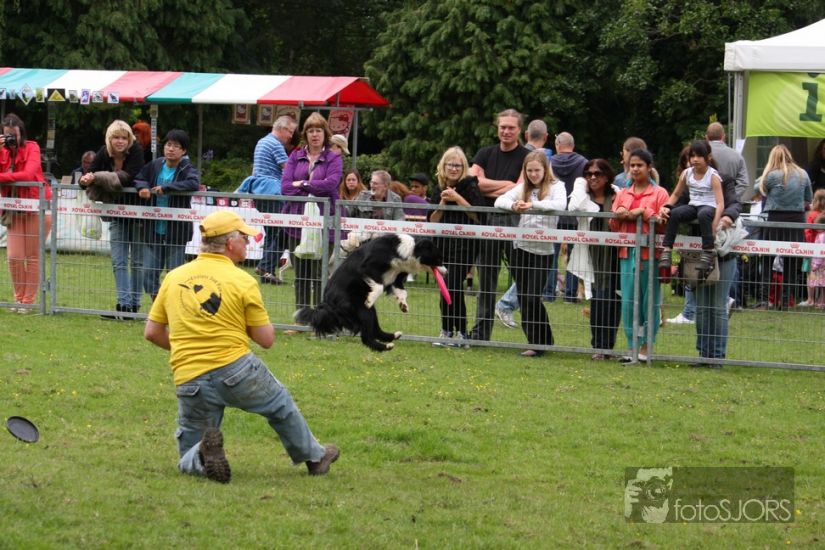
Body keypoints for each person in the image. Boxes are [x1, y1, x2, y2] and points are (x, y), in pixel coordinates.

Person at [144, 210, 339, 482]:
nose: (248, 242)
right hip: (236, 369)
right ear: (229, 243)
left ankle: (200, 454)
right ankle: (314, 457)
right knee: (279, 405)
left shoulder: (174, 277)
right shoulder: (243, 281)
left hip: (189, 376)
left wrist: (186, 346)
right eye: (244, 238)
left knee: (188, 449)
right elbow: (266, 339)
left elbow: (152, 333)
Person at [660, 170, 743, 367]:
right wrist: (667, 208)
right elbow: (678, 204)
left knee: (718, 306)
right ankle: (704, 355)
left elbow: (734, 204)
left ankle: (717, 356)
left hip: (723, 253)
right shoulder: (689, 181)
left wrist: (728, 216)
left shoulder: (723, 179)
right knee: (702, 307)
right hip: (697, 255)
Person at [494, 151, 567, 357]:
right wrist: (513, 205)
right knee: (525, 298)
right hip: (520, 249)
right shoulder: (522, 188)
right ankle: (536, 343)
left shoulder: (557, 187)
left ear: (545, 169)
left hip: (543, 251)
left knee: (533, 297)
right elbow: (499, 201)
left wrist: (533, 205)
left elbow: (560, 205)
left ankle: (543, 341)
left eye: (537, 170)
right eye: (529, 171)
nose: (533, 174)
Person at [468, 109, 529, 342]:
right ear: (497, 128)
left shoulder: (527, 157)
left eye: (511, 127)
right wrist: (507, 186)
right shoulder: (485, 153)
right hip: (486, 222)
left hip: (515, 223)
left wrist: (488, 186)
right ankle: (480, 335)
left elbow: (522, 189)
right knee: (486, 282)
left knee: (524, 279)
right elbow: (473, 184)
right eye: (503, 127)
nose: (506, 131)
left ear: (519, 130)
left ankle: (535, 337)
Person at [79, 119, 146, 318]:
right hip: (116, 212)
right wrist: (85, 180)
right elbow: (88, 175)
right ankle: (123, 305)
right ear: (109, 139)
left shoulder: (136, 151)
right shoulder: (103, 152)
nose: (120, 141)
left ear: (129, 139)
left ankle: (134, 305)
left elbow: (127, 178)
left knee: (137, 262)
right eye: (116, 137)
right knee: (118, 260)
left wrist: (96, 177)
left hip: (139, 213)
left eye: (124, 137)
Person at [610, 149, 669, 362]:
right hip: (627, 254)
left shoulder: (660, 193)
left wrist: (644, 212)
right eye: (632, 165)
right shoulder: (623, 193)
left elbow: (664, 224)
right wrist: (618, 215)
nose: (635, 169)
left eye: (639, 165)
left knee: (649, 301)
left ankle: (646, 346)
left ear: (649, 167)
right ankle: (631, 346)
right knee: (628, 301)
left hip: (650, 254)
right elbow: (613, 225)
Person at [281, 112, 343, 313]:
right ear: (305, 134)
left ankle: (320, 319)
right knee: (300, 275)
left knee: (318, 275)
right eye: (310, 131)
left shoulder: (334, 158)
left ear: (325, 134)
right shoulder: (295, 156)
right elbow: (285, 187)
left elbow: (331, 184)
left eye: (318, 131)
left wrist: (303, 184)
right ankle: (301, 317)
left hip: (325, 221)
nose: (315, 135)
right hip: (297, 221)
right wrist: (313, 186)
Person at [135, 129, 200, 301]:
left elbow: (193, 183)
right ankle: (158, 304)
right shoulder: (155, 165)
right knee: (148, 273)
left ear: (183, 151)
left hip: (176, 231)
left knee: (175, 274)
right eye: (168, 145)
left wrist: (167, 188)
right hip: (153, 229)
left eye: (176, 146)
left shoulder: (187, 168)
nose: (171, 149)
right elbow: (140, 177)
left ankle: (173, 307)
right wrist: (142, 187)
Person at [429, 146, 484, 348]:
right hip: (442, 246)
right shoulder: (438, 189)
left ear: (463, 168)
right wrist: (443, 202)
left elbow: (478, 216)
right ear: (443, 166)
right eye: (450, 165)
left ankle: (461, 332)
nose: (453, 169)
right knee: (446, 288)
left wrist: (457, 198)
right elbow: (432, 220)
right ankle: (447, 331)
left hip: (464, 246)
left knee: (451, 285)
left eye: (458, 165)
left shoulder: (470, 186)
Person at [567, 159, 621, 359]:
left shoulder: (617, 195)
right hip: (593, 256)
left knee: (615, 299)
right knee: (598, 298)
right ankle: (598, 346)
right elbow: (573, 206)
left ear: (607, 176)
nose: (592, 177)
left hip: (616, 254)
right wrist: (580, 183)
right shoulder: (583, 196)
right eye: (588, 174)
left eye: (597, 174)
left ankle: (608, 347)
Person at [0, 114, 53, 312]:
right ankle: (18, 298)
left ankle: (27, 301)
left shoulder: (32, 147)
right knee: (14, 256)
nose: (11, 139)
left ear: (21, 132)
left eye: (14, 134)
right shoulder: (2, 152)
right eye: (7, 135)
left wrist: (2, 177)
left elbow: (28, 174)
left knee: (32, 256)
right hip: (14, 208)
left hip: (36, 207)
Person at [237, 115, 297, 285]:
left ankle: (267, 273)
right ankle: (264, 266)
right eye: (290, 132)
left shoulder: (262, 142)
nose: (290, 136)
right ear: (282, 128)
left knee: (271, 233)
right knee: (283, 232)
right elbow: (288, 170)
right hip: (272, 191)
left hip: (259, 191)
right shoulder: (276, 144)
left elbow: (255, 170)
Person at [753, 144, 813, 310]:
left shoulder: (771, 175)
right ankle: (786, 301)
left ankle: (764, 301)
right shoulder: (802, 174)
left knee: (767, 258)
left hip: (774, 219)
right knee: (791, 260)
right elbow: (808, 198)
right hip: (796, 220)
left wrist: (767, 171)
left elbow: (757, 188)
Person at [659, 140, 724, 282]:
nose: (695, 159)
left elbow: (720, 203)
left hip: (709, 206)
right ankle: (667, 249)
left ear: (708, 157)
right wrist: (666, 206)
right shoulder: (686, 173)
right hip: (693, 205)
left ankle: (708, 251)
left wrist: (714, 225)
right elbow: (676, 194)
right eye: (692, 156)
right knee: (675, 213)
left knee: (703, 214)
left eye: (699, 156)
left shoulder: (713, 176)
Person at [547, 131, 588, 303]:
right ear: (573, 145)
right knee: (573, 256)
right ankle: (570, 295)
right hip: (574, 215)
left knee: (551, 254)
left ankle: (548, 293)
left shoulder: (548, 162)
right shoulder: (584, 163)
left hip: (554, 214)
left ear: (557, 145)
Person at [706, 122, 750, 200]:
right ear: (723, 136)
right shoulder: (737, 156)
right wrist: (730, 197)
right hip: (729, 203)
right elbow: (743, 183)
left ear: (706, 137)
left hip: (704, 201)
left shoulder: (699, 155)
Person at [800, 189, 825, 307]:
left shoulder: (813, 214)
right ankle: (821, 300)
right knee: (822, 276)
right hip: (821, 251)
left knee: (810, 274)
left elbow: (808, 231)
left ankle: (810, 299)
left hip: (812, 248)